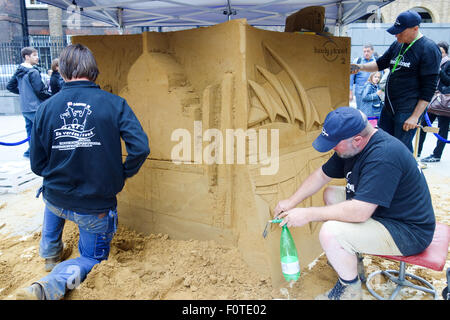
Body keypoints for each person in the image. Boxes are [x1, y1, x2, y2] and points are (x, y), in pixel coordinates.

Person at [14, 44, 150, 300]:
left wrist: (52, 174)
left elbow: (36, 162)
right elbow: (140, 148)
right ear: (94, 71)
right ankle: (48, 286)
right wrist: (122, 173)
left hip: (55, 198)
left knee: (53, 203)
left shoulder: (46, 108)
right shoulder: (115, 104)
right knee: (92, 258)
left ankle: (50, 254)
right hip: (94, 205)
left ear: (62, 71)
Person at [273, 107, 435, 300]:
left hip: (408, 231)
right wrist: (291, 202)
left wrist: (307, 214)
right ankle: (353, 265)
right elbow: (321, 175)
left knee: (329, 233)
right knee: (331, 193)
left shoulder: (383, 155)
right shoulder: (353, 147)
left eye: (335, 144)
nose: (332, 148)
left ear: (357, 139)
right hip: (386, 212)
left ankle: (349, 289)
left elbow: (360, 212)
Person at [350, 10, 441, 153]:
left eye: (400, 32)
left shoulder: (428, 48)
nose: (396, 34)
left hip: (408, 109)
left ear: (415, 29)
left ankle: (407, 174)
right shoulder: (397, 44)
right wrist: (360, 67)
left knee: (400, 149)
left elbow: (428, 89)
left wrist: (415, 117)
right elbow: (380, 64)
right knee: (383, 143)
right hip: (389, 106)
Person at [6, 46, 51, 158]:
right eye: (34, 55)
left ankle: (31, 152)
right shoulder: (33, 72)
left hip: (25, 107)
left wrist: (23, 93)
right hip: (36, 106)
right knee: (42, 130)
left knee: (30, 131)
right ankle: (41, 153)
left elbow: (10, 86)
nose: (37, 57)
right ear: (27, 57)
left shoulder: (19, 71)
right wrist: (51, 97)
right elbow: (40, 90)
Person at [418, 41, 450, 162]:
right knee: (424, 126)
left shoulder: (447, 64)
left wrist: (439, 70)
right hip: (432, 100)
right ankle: (418, 150)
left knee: (442, 128)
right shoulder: (432, 63)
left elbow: (448, 81)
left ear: (445, 53)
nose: (439, 54)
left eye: (441, 52)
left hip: (443, 102)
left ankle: (437, 155)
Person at [349, 44, 376, 109]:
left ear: (372, 51)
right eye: (364, 51)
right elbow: (351, 78)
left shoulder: (376, 62)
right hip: (360, 91)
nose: (366, 53)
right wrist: (350, 92)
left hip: (372, 92)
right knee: (360, 110)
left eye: (368, 51)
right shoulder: (357, 61)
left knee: (372, 111)